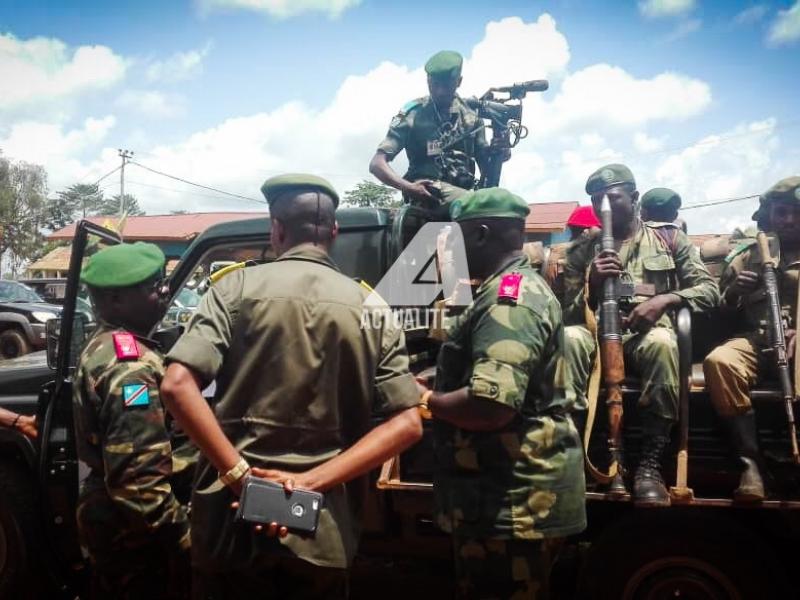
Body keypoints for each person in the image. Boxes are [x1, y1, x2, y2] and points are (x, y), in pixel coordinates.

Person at [160, 173, 423, 599]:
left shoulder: (234, 289)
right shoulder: (371, 306)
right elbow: (409, 423)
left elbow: (176, 385)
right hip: (323, 527)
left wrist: (242, 478)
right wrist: (309, 483)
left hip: (229, 525)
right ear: (333, 233)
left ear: (276, 229)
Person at [417, 188, 586, 599]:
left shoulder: (508, 298)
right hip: (506, 498)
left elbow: (490, 405)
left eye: (454, 237)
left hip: (510, 502)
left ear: (480, 235)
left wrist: (424, 401)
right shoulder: (510, 287)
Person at [562, 164, 719, 506]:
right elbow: (565, 313)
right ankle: (574, 450)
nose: (604, 205)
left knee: (664, 344)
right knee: (569, 339)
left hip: (644, 336)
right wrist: (591, 285)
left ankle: (650, 463)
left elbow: (709, 291)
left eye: (613, 197)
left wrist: (666, 299)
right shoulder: (581, 249)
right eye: (597, 199)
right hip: (596, 334)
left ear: (634, 198)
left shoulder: (668, 239)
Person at [73, 242, 190, 599]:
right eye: (152, 285)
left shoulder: (112, 344)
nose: (165, 289)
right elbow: (138, 485)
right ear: (114, 301)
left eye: (162, 280)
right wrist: (187, 539)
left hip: (125, 524)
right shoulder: (129, 368)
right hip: (136, 537)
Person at [703, 176, 800, 502]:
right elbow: (717, 315)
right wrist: (734, 293)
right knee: (720, 361)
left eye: (796, 213)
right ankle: (751, 464)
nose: (788, 220)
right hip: (758, 342)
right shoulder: (749, 255)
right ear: (769, 214)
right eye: (782, 212)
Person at [369, 50, 490, 209]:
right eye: (434, 84)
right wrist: (409, 188)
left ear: (458, 82)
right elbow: (377, 164)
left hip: (465, 195)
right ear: (427, 80)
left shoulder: (472, 116)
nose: (440, 91)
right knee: (478, 205)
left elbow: (485, 164)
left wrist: (499, 152)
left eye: (446, 85)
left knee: (507, 205)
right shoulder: (412, 114)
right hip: (428, 193)